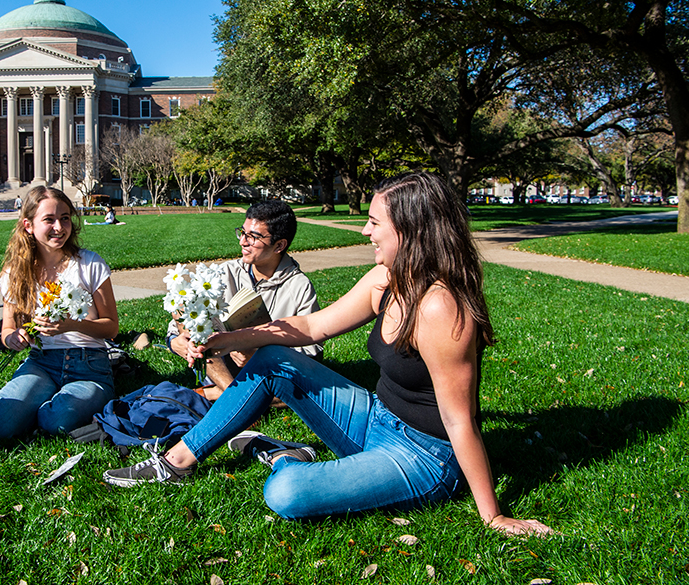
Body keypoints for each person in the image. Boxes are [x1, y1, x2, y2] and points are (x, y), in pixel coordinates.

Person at [103, 173, 554, 536]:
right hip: (376, 419)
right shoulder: (387, 278)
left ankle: (284, 458)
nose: (364, 230)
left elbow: (460, 420)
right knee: (274, 359)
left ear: (412, 229)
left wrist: (493, 515)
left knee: (286, 493)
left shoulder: (440, 306)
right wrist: (222, 342)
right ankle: (176, 461)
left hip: (424, 456)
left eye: (375, 222)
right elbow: (312, 326)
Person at [0, 186, 118, 439]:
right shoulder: (15, 273)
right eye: (49, 219)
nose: (59, 226)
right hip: (41, 364)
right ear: (28, 225)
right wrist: (14, 338)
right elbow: (8, 330)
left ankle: (28, 405)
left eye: (65, 218)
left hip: (89, 365)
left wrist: (71, 325)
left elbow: (111, 327)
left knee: (57, 421)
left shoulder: (90, 264)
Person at [167, 200, 320, 400]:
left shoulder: (299, 286)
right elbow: (181, 325)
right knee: (198, 332)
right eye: (243, 232)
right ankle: (237, 398)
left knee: (305, 388)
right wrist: (176, 342)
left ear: (279, 245)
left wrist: (256, 354)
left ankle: (223, 395)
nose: (242, 242)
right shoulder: (224, 273)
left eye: (253, 237)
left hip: (269, 368)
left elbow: (312, 353)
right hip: (222, 363)